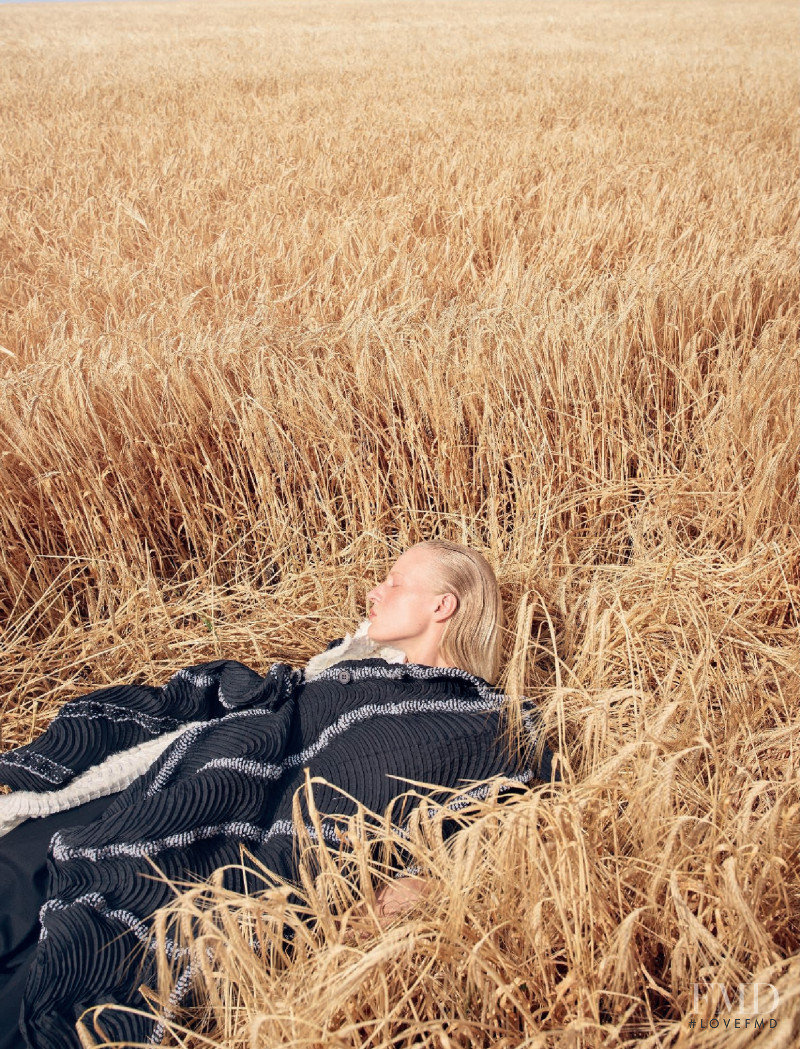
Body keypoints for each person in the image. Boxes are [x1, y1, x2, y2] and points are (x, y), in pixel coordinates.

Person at [0, 540, 554, 1049]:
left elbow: (510, 827)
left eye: (395, 582)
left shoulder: (485, 722)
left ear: (442, 606)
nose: (374, 592)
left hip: (229, 863)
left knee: (60, 976)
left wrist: (406, 896)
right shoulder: (344, 673)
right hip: (167, 795)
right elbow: (266, 709)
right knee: (15, 871)